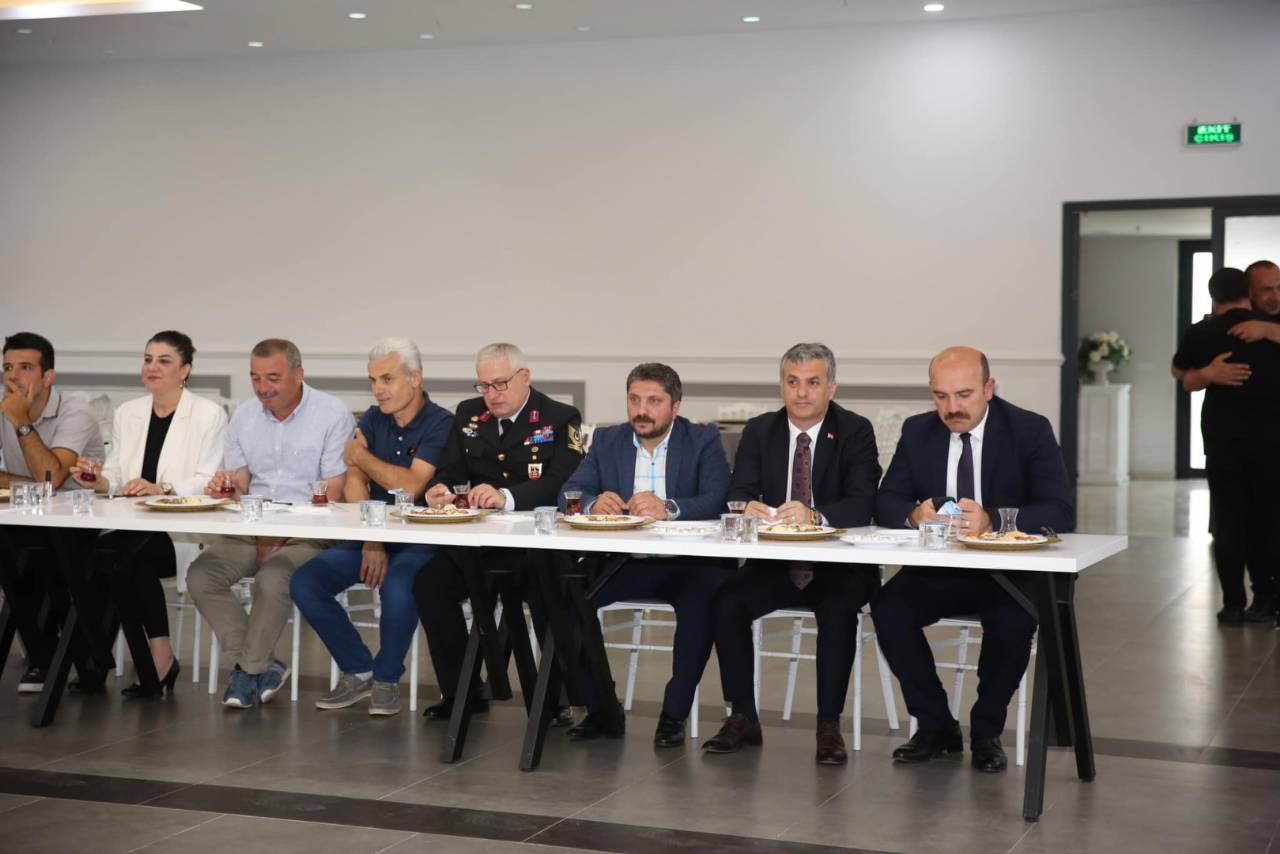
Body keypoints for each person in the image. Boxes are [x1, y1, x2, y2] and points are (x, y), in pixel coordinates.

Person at [872, 346, 1074, 773]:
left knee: (1013, 621)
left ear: (989, 388)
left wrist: (993, 521)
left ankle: (986, 731)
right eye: (941, 396)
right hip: (940, 569)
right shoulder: (918, 431)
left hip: (1007, 569)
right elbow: (886, 501)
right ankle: (936, 725)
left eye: (963, 395)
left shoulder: (1029, 430)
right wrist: (913, 514)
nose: (952, 408)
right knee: (888, 608)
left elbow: (1059, 510)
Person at [702, 343, 881, 766]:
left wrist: (814, 515)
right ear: (781, 386)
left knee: (838, 609)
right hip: (776, 563)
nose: (802, 392)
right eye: (793, 382)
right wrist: (745, 507)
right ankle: (742, 716)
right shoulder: (760, 430)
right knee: (726, 601)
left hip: (839, 564)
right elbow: (738, 492)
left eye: (813, 382)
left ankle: (828, 725)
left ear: (832, 387)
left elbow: (863, 503)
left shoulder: (855, 430)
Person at [558, 363, 731, 747]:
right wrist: (592, 503)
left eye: (654, 401)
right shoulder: (608, 440)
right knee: (568, 600)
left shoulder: (702, 439)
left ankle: (673, 714)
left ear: (675, 406)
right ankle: (601, 707)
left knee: (701, 607)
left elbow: (718, 497)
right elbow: (569, 492)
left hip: (688, 563)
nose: (642, 410)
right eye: (634, 400)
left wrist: (669, 508)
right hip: (624, 563)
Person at [413, 342, 585, 721]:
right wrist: (438, 489)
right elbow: (450, 470)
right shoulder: (468, 414)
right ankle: (462, 692)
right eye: (484, 386)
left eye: (500, 384)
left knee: (549, 592)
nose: (492, 394)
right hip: (480, 545)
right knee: (429, 584)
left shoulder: (559, 417)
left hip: (534, 545)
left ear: (525, 377)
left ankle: (555, 701)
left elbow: (562, 482)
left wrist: (506, 497)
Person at [186, 339, 354, 709]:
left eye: (273, 378)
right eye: (256, 378)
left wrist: (279, 533)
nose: (263, 388)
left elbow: (334, 492)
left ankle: (248, 672)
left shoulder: (332, 414)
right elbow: (241, 485)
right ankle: (258, 664)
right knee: (201, 575)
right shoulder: (244, 416)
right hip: (253, 524)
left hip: (313, 529)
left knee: (274, 575)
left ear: (299, 374)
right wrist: (225, 488)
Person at [290, 338, 452, 716]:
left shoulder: (442, 422)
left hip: (419, 539)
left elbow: (411, 486)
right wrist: (371, 539)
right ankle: (359, 669)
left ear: (415, 378)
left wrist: (361, 456)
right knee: (306, 582)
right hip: (370, 536)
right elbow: (353, 480)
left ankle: (386, 678)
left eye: (387, 379)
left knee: (398, 584)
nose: (378, 389)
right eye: (373, 380)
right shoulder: (373, 418)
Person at [66, 331, 227, 696]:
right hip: (129, 525)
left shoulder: (209, 414)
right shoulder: (129, 412)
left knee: (123, 558)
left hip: (181, 532)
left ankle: (158, 655)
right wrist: (96, 480)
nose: (152, 367)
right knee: (90, 556)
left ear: (185, 370)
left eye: (164, 361)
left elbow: (207, 480)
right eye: (148, 359)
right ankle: (96, 657)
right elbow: (117, 476)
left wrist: (162, 488)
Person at [1171, 268, 1280, 625]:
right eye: (1268, 289)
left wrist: (1203, 374)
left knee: (1229, 523)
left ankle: (1233, 604)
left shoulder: (1202, 332)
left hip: (1224, 443)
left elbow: (1179, 373)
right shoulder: (1267, 330)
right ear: (1249, 292)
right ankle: (1266, 601)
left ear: (1213, 296)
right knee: (1268, 522)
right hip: (1271, 444)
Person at [0, 332, 106, 694]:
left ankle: (57, 658)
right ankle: (44, 655)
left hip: (79, 522)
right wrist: (37, 484)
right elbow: (44, 483)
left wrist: (22, 423)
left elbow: (51, 478)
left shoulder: (76, 412)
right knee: (8, 554)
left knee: (41, 556)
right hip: (28, 517)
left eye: (25, 368)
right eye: (7, 368)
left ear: (48, 377)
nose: (13, 377)